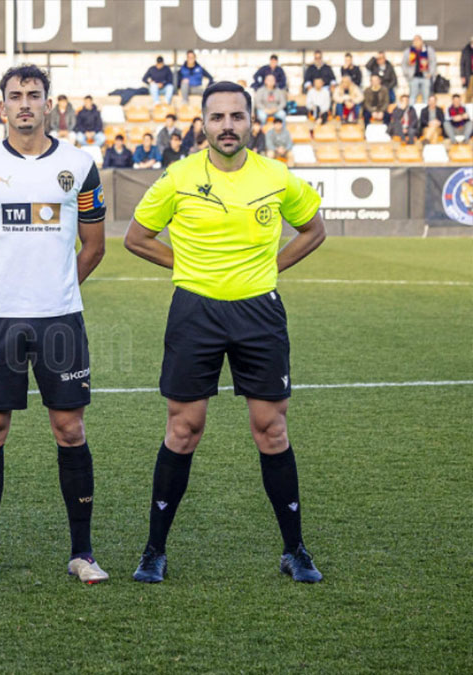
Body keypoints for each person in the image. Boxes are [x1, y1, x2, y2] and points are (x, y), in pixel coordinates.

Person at [124, 80, 327, 585]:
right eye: (218, 118)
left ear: (252, 122)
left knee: (272, 430)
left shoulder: (276, 176)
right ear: (204, 124)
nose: (228, 126)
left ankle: (295, 549)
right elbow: (137, 238)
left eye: (237, 116)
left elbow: (314, 230)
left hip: (259, 313)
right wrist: (191, 267)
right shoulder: (178, 177)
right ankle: (154, 551)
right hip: (196, 312)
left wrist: (271, 270)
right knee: (183, 429)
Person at [0, 64, 108, 584]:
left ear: (48, 104)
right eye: (14, 96)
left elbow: (94, 245)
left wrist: (57, 286)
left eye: (33, 95)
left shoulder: (79, 165)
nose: (24, 103)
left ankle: (82, 552)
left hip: (60, 320)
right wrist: (3, 282)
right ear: (2, 106)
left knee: (70, 429)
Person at [402, 35, 436, 105]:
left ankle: (425, 113)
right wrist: (407, 74)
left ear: (421, 41)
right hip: (413, 77)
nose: (416, 42)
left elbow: (433, 62)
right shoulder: (409, 51)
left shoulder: (428, 50)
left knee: (426, 97)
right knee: (412, 97)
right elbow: (404, 64)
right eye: (415, 40)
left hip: (425, 77)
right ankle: (412, 113)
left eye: (418, 40)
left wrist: (431, 73)